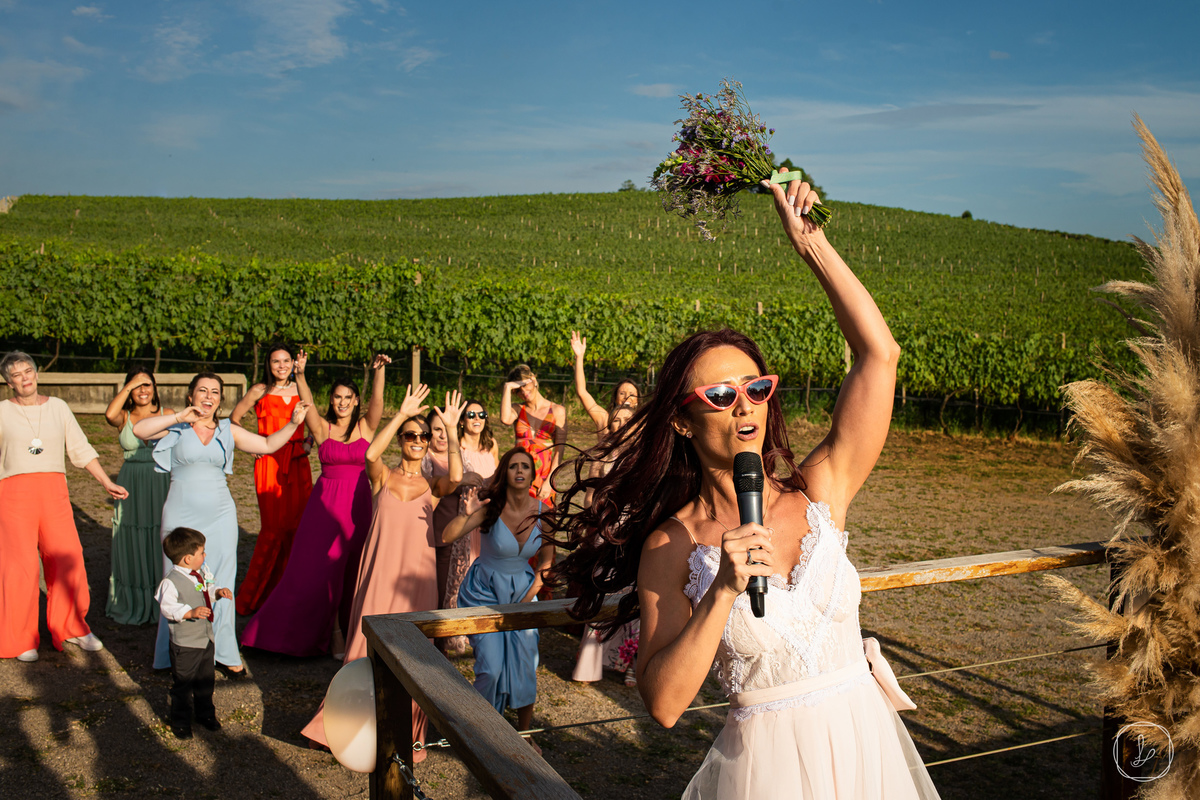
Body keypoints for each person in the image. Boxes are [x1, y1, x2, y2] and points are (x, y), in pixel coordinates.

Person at [548, 176, 939, 799]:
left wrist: (810, 244)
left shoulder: (820, 490)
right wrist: (724, 589)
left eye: (756, 388)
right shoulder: (672, 543)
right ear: (681, 419)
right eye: (722, 395)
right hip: (768, 774)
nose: (744, 407)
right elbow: (666, 704)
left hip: (868, 756)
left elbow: (879, 356)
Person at [302, 385, 465, 761]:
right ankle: (340, 727)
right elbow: (371, 451)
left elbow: (456, 477)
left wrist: (451, 431)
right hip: (378, 573)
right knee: (363, 650)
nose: (418, 441)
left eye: (424, 436)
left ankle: (407, 735)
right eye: (412, 435)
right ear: (403, 440)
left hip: (417, 581)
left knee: (414, 655)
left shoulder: (432, 485)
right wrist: (400, 415)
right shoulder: (383, 477)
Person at [134, 372, 309, 676]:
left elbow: (268, 444)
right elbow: (138, 429)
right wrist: (178, 416)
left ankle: (225, 651)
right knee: (176, 580)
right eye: (202, 390)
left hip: (220, 516)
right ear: (191, 396)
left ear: (220, 399)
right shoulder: (174, 426)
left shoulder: (228, 430)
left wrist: (293, 423)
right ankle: (169, 652)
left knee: (221, 582)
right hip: (180, 515)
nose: (208, 395)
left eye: (215, 391)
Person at [241, 352, 389, 658]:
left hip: (358, 507)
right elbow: (305, 402)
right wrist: (301, 374)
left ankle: (352, 635)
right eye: (337, 397)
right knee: (315, 572)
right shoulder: (323, 429)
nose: (343, 402)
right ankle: (324, 634)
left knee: (353, 572)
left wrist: (379, 371)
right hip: (324, 508)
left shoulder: (366, 428)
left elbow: (378, 402)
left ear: (356, 400)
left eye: (348, 397)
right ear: (331, 400)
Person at [0, 351, 128, 662]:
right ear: (8, 382)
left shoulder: (58, 407)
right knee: (19, 568)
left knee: (68, 557)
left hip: (54, 492)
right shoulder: (1, 411)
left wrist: (105, 482)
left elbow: (80, 448)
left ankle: (72, 627)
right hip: (12, 494)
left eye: (28, 370)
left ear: (37, 373)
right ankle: (20, 639)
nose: (24, 377)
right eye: (16, 374)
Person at [444, 448, 555, 750]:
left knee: (525, 663)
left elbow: (546, 561)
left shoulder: (544, 511)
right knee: (491, 668)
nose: (520, 471)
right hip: (484, 591)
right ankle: (480, 730)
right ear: (505, 472)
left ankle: (524, 734)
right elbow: (446, 535)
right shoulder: (491, 508)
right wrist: (466, 513)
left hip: (523, 591)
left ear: (533, 473)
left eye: (526, 466)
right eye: (513, 466)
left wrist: (528, 597)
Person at [230, 343, 314, 615]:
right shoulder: (259, 390)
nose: (281, 366)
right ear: (268, 364)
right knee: (272, 529)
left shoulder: (301, 388)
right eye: (276, 361)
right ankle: (253, 597)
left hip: (298, 464)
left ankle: (289, 595)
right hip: (269, 463)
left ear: (293, 363)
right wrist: (253, 444)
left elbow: (314, 421)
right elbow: (234, 419)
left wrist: (310, 442)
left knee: (297, 529)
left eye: (286, 360)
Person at [572, 403, 639, 686]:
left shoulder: (644, 455)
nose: (620, 424)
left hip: (634, 529)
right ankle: (589, 665)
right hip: (605, 527)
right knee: (599, 590)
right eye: (615, 420)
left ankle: (631, 664)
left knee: (632, 594)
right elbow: (589, 495)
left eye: (626, 420)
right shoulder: (601, 454)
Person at [104, 367, 175, 625]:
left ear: (155, 389)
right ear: (129, 391)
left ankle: (164, 598)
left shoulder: (167, 414)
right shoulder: (123, 416)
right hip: (131, 484)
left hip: (161, 481)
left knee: (161, 534)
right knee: (130, 534)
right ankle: (134, 600)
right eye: (137, 386)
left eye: (147, 385)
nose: (143, 390)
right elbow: (108, 414)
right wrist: (129, 384)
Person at [155, 526, 233, 739]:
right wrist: (189, 612)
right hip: (186, 644)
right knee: (183, 684)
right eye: (202, 552)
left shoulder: (198, 575)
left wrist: (217, 593)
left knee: (206, 681)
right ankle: (180, 721)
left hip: (205, 639)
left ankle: (205, 714)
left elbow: (204, 593)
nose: (205, 555)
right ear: (188, 558)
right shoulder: (170, 582)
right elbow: (167, 607)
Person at [439, 399, 499, 656]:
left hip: (486, 520)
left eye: (481, 413)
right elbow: (450, 480)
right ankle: (456, 635)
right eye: (471, 414)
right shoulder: (456, 447)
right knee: (461, 574)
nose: (477, 418)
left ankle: (481, 630)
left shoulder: (491, 446)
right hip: (463, 519)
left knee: (484, 574)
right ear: (462, 420)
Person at [500, 365, 566, 502]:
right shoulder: (517, 409)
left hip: (544, 476)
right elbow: (505, 419)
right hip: (518, 474)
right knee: (516, 519)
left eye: (525, 385)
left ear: (534, 379)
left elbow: (560, 450)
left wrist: (549, 482)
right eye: (517, 390)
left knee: (544, 520)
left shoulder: (557, 410)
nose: (523, 391)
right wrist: (507, 388)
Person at [570, 330, 641, 434]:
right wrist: (579, 357)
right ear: (616, 398)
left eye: (632, 394)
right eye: (622, 393)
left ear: (638, 400)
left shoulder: (643, 423)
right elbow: (581, 392)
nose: (627, 397)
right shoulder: (604, 419)